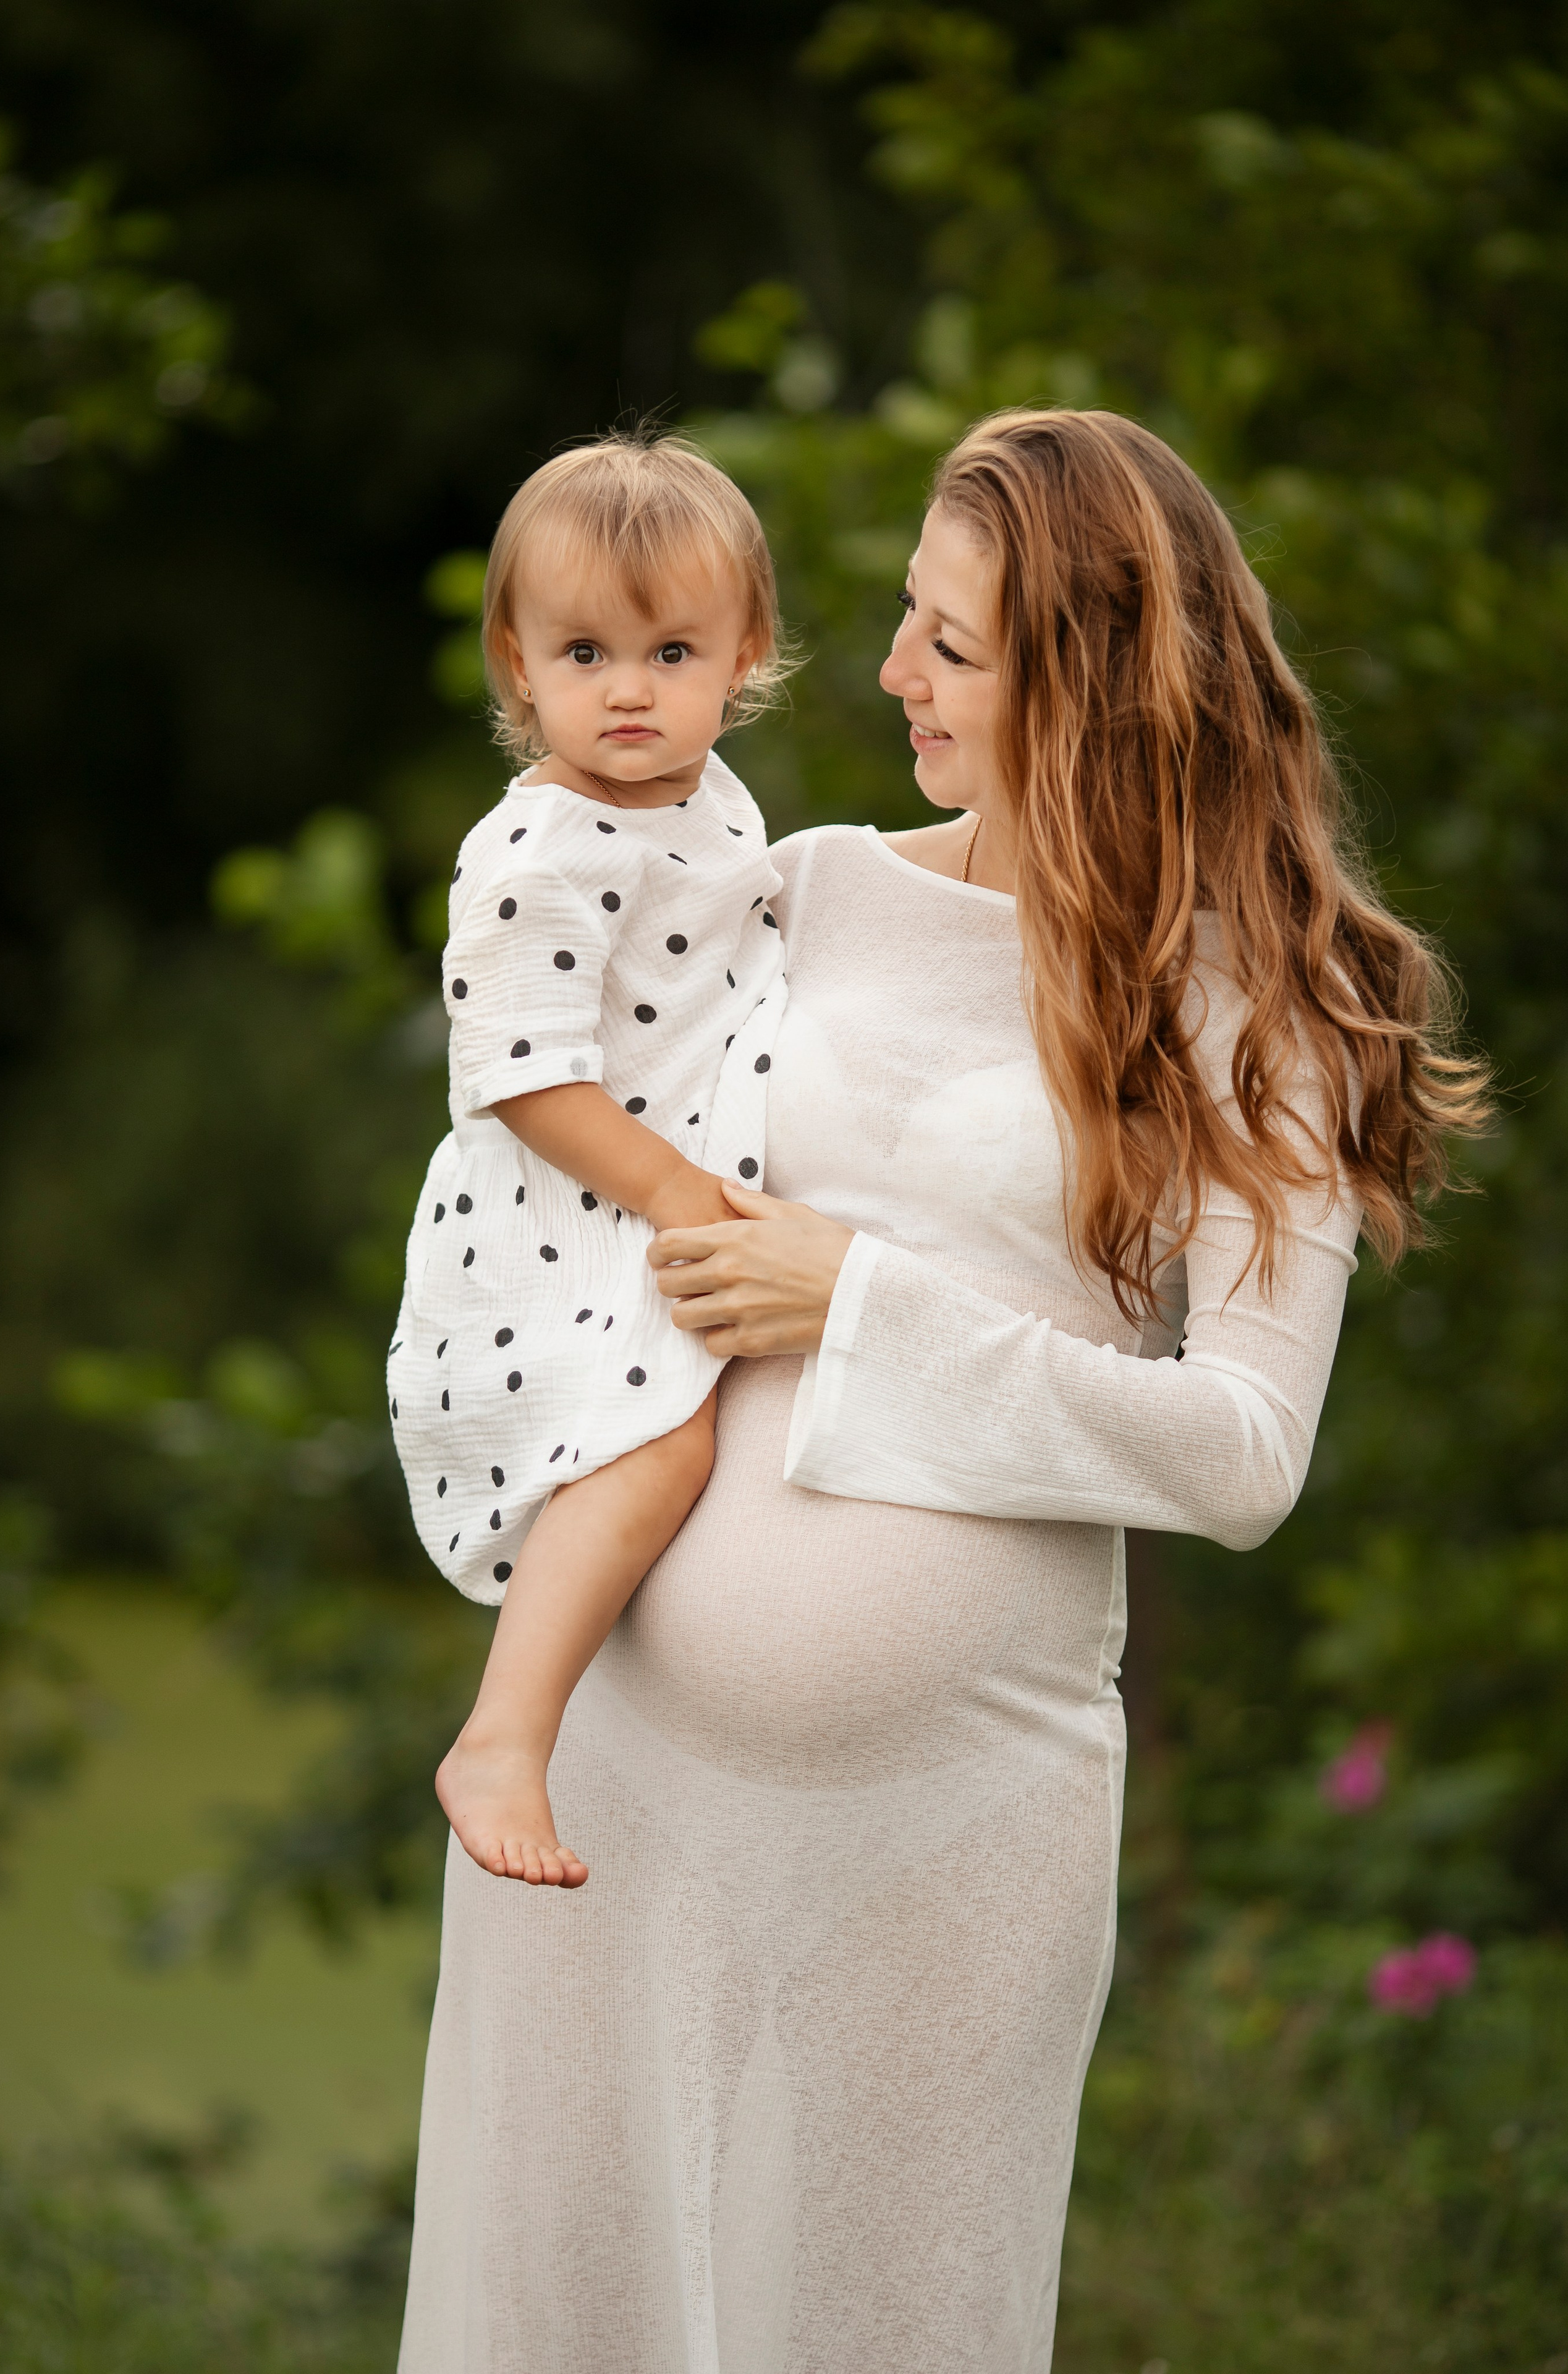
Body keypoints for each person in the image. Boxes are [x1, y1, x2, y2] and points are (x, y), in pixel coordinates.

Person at [397, 409, 1488, 2372]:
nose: (888, 670)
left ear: (1088, 687)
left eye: (953, 647)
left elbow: (1244, 1454)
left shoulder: (1252, 1012)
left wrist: (867, 1305)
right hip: (618, 1794)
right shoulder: (795, 894)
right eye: (906, 617)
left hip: (947, 1831)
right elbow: (546, 1150)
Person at [389, 430, 790, 1890]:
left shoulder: (709, 796)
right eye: (583, 650)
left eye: (671, 648)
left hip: (654, 1192)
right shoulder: (539, 849)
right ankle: (503, 1730)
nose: (629, 688)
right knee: (654, 1445)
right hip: (565, 1219)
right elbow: (517, 1078)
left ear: (744, 650)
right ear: (517, 662)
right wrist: (683, 1196)